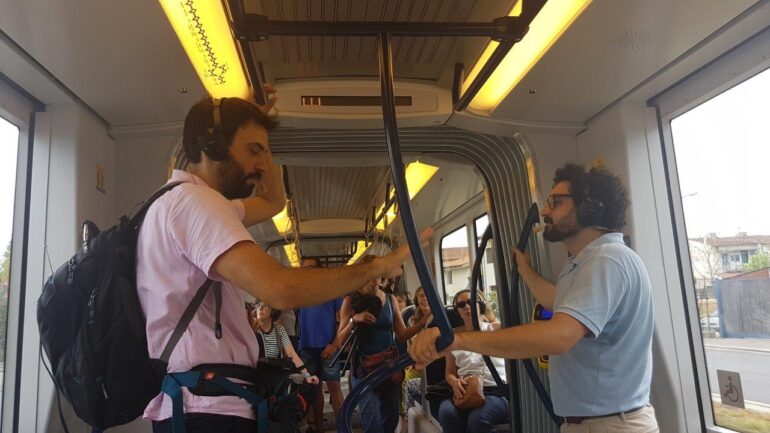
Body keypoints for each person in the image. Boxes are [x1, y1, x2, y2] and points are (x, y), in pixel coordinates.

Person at [137, 94, 431, 433]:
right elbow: (280, 290)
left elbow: (274, 201)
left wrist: (260, 138)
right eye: (253, 151)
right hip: (204, 409)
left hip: (205, 401)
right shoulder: (195, 204)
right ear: (212, 144)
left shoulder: (187, 202)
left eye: (264, 152)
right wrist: (378, 266)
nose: (262, 165)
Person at [410, 163, 659, 433]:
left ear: (590, 208)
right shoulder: (582, 264)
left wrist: (458, 340)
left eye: (556, 202)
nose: (544, 211)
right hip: (593, 423)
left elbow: (560, 336)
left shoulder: (606, 261)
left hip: (610, 425)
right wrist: (525, 270)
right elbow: (557, 301)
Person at [337, 255, 433, 433]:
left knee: (390, 421)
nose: (374, 277)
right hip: (363, 369)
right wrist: (354, 320)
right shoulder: (350, 301)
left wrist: (422, 322)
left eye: (378, 272)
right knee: (372, 422)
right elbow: (340, 340)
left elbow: (402, 335)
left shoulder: (390, 299)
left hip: (389, 367)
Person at [438, 290, 508, 433]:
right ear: (457, 311)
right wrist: (454, 382)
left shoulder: (496, 329)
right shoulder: (453, 338)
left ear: (480, 305)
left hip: (496, 392)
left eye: (471, 302)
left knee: (477, 419)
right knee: (446, 413)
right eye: (461, 305)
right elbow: (449, 373)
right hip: (466, 391)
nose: (467, 307)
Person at [296, 256, 344, 433]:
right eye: (303, 269)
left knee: (334, 387)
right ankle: (319, 427)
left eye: (309, 268)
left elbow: (344, 321)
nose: (306, 272)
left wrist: (335, 345)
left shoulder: (332, 290)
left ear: (319, 269)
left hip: (328, 346)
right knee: (315, 389)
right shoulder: (299, 292)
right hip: (307, 347)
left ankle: (342, 426)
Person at [252, 301, 319, 385]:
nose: (260, 308)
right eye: (258, 305)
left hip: (272, 377)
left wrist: (307, 376)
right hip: (254, 375)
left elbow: (292, 354)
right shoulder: (250, 329)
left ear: (273, 310)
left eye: (265, 305)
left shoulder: (279, 330)